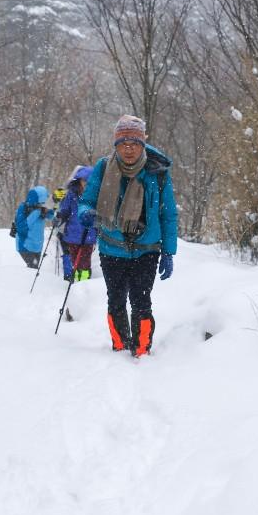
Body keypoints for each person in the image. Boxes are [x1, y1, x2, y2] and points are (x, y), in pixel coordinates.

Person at [78, 115, 177, 357]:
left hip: (147, 249)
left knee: (141, 302)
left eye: (134, 142)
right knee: (116, 300)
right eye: (123, 143)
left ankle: (141, 351)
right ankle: (120, 346)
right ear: (116, 145)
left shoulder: (158, 172)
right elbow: (87, 201)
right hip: (111, 248)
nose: (129, 148)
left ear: (143, 142)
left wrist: (168, 251)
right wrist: (86, 213)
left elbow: (169, 215)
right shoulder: (104, 168)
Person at [56, 165, 97, 282]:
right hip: (73, 235)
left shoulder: (96, 196)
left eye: (89, 181)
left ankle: (83, 284)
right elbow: (65, 209)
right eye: (84, 181)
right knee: (74, 261)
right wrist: (61, 216)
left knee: (84, 264)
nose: (86, 184)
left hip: (88, 235)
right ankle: (75, 283)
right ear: (79, 181)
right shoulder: (71, 194)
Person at [13, 185, 52, 269]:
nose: (43, 205)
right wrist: (37, 212)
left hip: (37, 246)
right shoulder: (23, 208)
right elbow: (21, 227)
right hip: (25, 246)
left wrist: (52, 210)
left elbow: (52, 215)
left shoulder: (42, 209)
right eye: (42, 203)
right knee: (33, 270)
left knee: (33, 270)